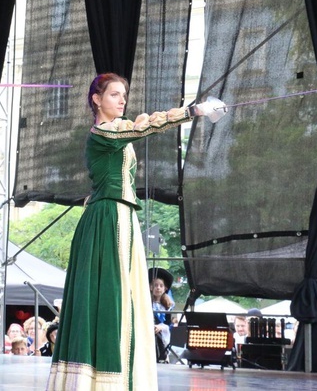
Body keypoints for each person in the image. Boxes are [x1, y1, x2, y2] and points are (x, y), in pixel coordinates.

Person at [48, 73, 210, 390]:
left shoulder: (110, 133)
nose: (122, 100)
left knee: (119, 296)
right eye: (114, 94)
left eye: (124, 94)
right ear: (96, 99)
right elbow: (143, 125)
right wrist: (192, 111)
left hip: (115, 215)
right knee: (113, 296)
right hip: (111, 219)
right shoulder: (105, 130)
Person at [148, 267, 174, 362]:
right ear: (151, 287)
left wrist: (160, 327)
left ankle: (162, 356)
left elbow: (168, 323)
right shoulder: (147, 303)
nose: (158, 288)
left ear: (165, 288)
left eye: (161, 286)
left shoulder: (167, 305)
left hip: (162, 332)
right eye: (155, 285)